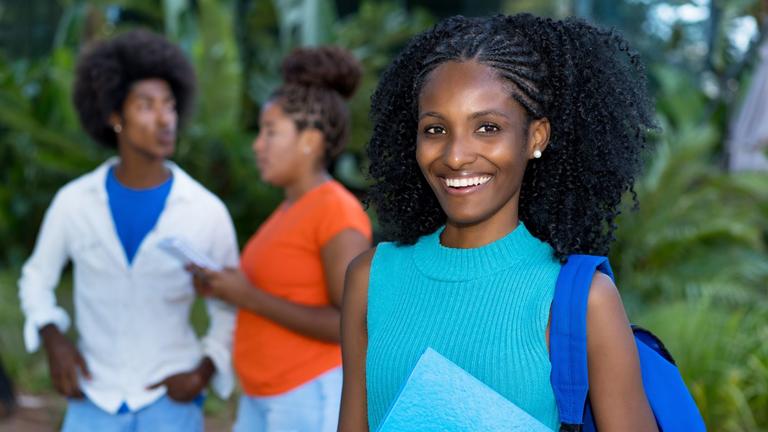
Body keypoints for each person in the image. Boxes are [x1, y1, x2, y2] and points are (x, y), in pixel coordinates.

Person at [339, 14, 660, 432]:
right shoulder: (370, 279)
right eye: (435, 129)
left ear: (536, 138)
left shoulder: (582, 302)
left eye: (487, 128)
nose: (455, 156)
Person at [17, 29, 238, 432]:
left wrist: (203, 372)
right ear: (114, 116)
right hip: (92, 396)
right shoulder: (74, 202)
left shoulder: (206, 211)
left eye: (170, 105)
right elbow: (35, 279)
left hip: (171, 399)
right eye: (146, 105)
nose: (164, 118)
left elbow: (229, 306)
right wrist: (53, 338)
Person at [191, 46, 371, 432]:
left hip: (307, 395)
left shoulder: (335, 210)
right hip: (263, 396)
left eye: (270, 132)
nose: (258, 145)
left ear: (310, 140)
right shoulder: (286, 212)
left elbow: (351, 323)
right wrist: (222, 287)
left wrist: (246, 296)